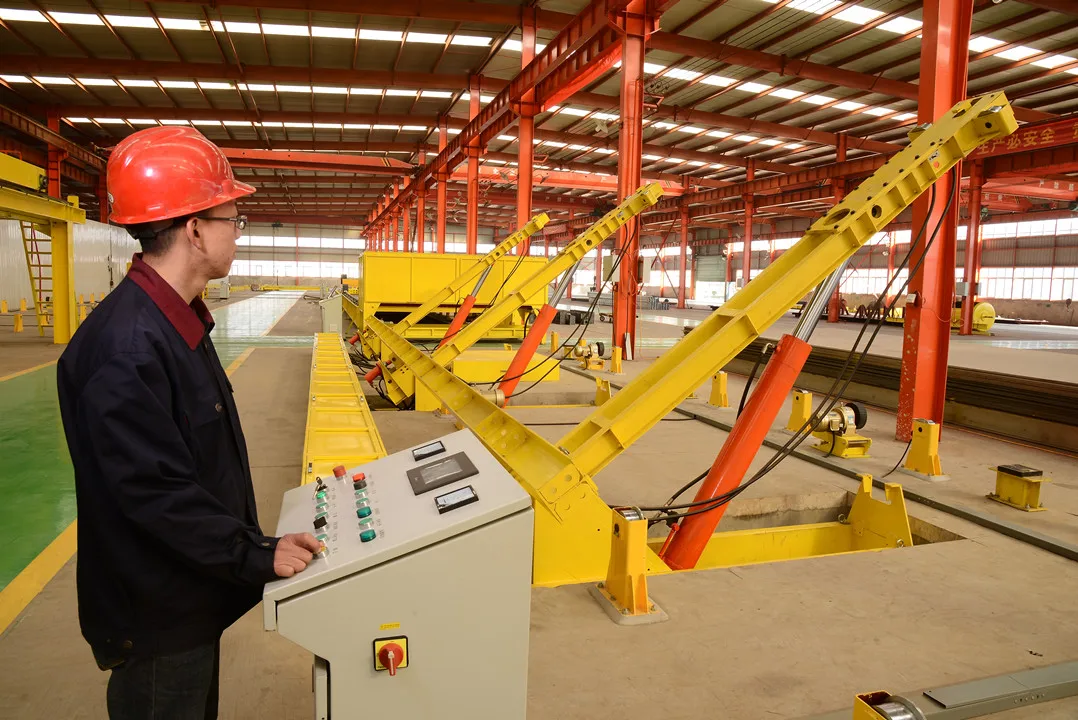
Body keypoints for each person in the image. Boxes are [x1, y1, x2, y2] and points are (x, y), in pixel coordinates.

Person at [57, 126, 322, 720]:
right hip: (156, 623)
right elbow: (155, 494)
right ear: (195, 228)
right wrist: (256, 553)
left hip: (186, 604)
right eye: (233, 218)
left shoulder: (175, 325)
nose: (237, 232)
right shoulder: (129, 347)